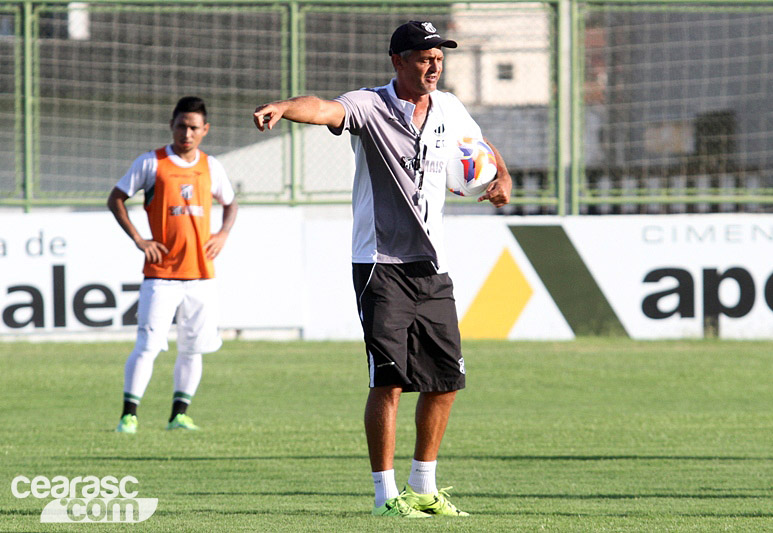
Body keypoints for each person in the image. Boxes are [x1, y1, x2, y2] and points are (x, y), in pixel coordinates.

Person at [253, 20, 511, 517]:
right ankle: (384, 497)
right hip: (380, 264)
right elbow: (324, 108)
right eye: (423, 56)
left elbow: (479, 151)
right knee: (389, 381)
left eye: (439, 57)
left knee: (445, 381)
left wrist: (502, 176)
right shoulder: (370, 105)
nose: (434, 64)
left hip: (433, 266)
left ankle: (423, 487)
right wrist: (285, 108)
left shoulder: (450, 108)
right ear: (398, 61)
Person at [109, 96, 238, 434]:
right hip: (162, 276)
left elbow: (230, 203)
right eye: (181, 125)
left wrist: (223, 234)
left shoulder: (211, 166)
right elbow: (116, 198)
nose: (187, 133)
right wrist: (140, 240)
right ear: (172, 125)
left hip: (201, 276)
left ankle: (179, 415)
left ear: (205, 130)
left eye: (194, 127)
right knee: (148, 345)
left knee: (194, 347)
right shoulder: (151, 163)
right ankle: (129, 415)